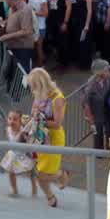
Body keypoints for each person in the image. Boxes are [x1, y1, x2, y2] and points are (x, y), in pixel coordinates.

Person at [28, 68, 69, 207]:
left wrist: (39, 120)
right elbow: (34, 109)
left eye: (34, 86)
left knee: (41, 174)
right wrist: (33, 116)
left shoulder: (58, 99)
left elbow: (57, 124)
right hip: (40, 137)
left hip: (53, 138)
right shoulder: (39, 94)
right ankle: (50, 197)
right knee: (39, 173)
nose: (32, 89)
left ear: (40, 84)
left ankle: (61, 174)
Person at [1, 110, 36, 197]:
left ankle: (34, 188)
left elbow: (27, 140)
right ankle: (14, 189)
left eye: (15, 119)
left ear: (20, 121)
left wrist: (25, 135)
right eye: (10, 119)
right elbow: (11, 141)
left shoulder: (23, 130)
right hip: (13, 154)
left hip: (23, 154)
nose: (11, 121)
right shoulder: (8, 129)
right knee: (11, 172)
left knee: (31, 172)